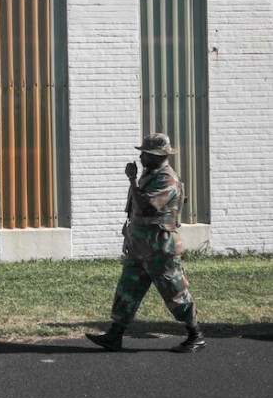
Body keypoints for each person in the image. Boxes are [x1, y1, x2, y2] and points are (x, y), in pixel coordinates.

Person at [86, 133, 205, 353]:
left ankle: (195, 334)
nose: (140, 157)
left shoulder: (167, 179)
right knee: (127, 291)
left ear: (158, 156)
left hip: (161, 249)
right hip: (140, 247)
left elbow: (148, 207)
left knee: (175, 292)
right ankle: (115, 335)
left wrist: (132, 180)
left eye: (145, 154)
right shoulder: (149, 176)